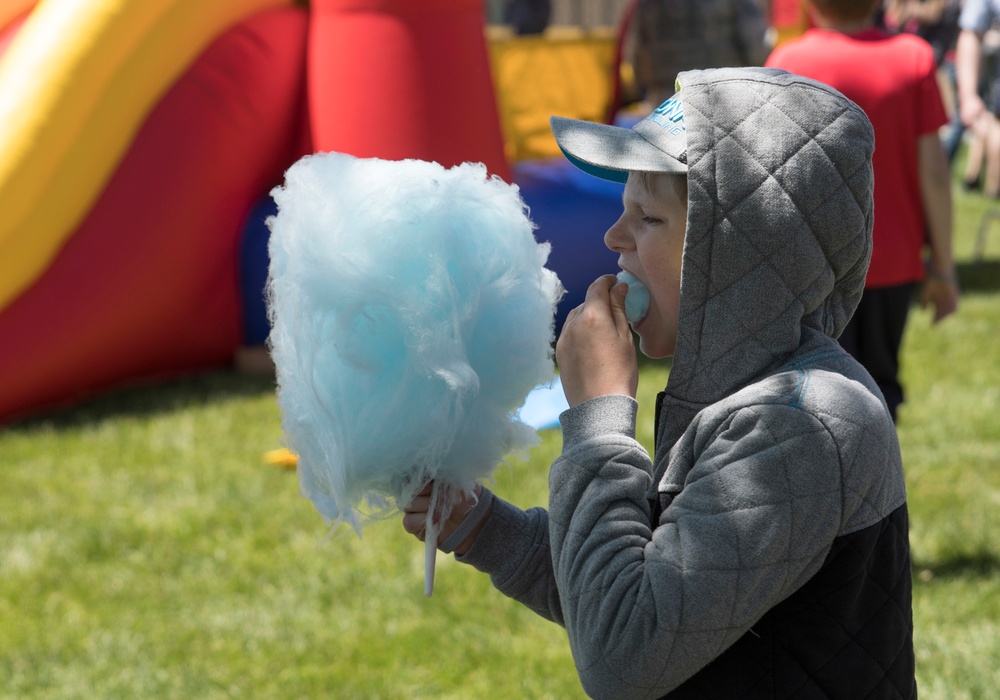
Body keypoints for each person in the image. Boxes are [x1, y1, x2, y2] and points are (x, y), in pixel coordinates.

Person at [403, 67, 916, 698]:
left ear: (734, 251)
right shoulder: (739, 394)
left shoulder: (800, 424)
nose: (613, 238)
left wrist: (599, 419)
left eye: (647, 217)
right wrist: (481, 525)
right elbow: (633, 590)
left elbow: (625, 650)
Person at [766, 0, 959, 422]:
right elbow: (935, 173)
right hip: (892, 257)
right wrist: (943, 266)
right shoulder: (914, 57)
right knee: (879, 390)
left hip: (811, 265)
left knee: (813, 397)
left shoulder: (788, 61)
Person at [630, 0, 771, 109]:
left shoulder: (647, 4)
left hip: (665, 105)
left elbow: (637, 59)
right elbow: (758, 52)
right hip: (723, 99)